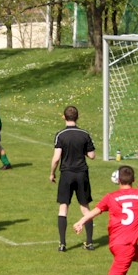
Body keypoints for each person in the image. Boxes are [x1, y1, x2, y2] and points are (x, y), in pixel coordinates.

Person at [50, 105, 96, 252]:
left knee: (63, 207)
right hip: (82, 173)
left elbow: (56, 158)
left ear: (64, 117)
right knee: (85, 207)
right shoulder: (84, 134)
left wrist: (52, 173)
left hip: (67, 174)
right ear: (77, 117)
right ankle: (89, 242)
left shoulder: (60, 135)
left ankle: (62, 244)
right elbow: (92, 155)